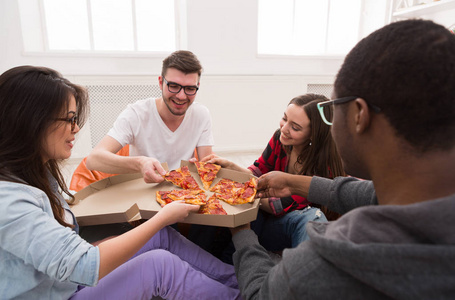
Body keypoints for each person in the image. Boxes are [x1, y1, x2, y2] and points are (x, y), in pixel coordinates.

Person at [230, 19, 455, 299]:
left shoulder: (325, 263)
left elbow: (258, 294)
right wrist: (292, 181)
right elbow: (365, 193)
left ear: (360, 115)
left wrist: (240, 229)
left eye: (333, 109)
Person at [0, 66, 241, 299]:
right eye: (69, 119)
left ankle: (243, 282)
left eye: (190, 89)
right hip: (61, 291)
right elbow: (83, 265)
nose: (76, 128)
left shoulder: (35, 174)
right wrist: (163, 216)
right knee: (159, 266)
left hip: (62, 281)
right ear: (31, 123)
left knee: (160, 236)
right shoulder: (11, 203)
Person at [201, 94, 345, 252]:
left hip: (285, 224)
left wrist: (237, 189)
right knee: (224, 202)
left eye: (295, 127)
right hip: (264, 216)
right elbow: (259, 171)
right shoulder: (280, 138)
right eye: (285, 118)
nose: (284, 129)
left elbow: (277, 206)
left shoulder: (323, 167)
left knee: (310, 217)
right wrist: (232, 167)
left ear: (313, 134)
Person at [86, 50, 213, 182]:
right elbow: (93, 160)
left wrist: (200, 167)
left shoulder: (201, 114)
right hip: (142, 191)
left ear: (197, 86)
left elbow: (207, 170)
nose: (181, 96)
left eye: (190, 89)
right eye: (174, 86)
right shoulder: (136, 113)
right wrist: (140, 163)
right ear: (160, 82)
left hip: (183, 191)